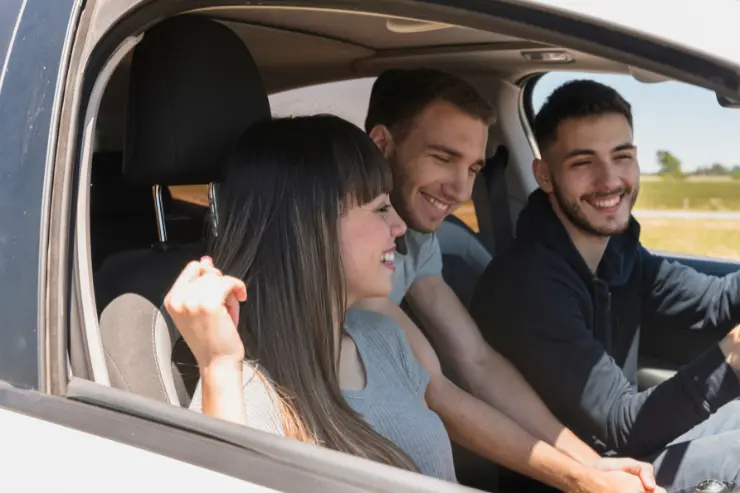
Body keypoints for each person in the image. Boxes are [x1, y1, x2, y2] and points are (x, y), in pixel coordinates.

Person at [164, 114, 660, 492]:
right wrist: (219, 368)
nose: (398, 227)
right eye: (380, 209)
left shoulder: (380, 337)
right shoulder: (245, 391)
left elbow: (455, 387)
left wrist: (585, 474)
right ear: (307, 227)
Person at [356, 68, 659, 489]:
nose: (461, 190)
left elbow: (476, 359)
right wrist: (579, 480)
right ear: (381, 144)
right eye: (443, 158)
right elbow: (437, 391)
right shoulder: (350, 251)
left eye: (475, 167)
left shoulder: (416, 236)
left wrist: (591, 463)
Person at [469, 79, 740, 492]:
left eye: (622, 156)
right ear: (543, 175)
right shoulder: (526, 287)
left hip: (629, 456)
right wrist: (733, 358)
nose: (610, 180)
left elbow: (715, 302)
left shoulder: (617, 253)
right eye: (583, 162)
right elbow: (622, 427)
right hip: (583, 480)